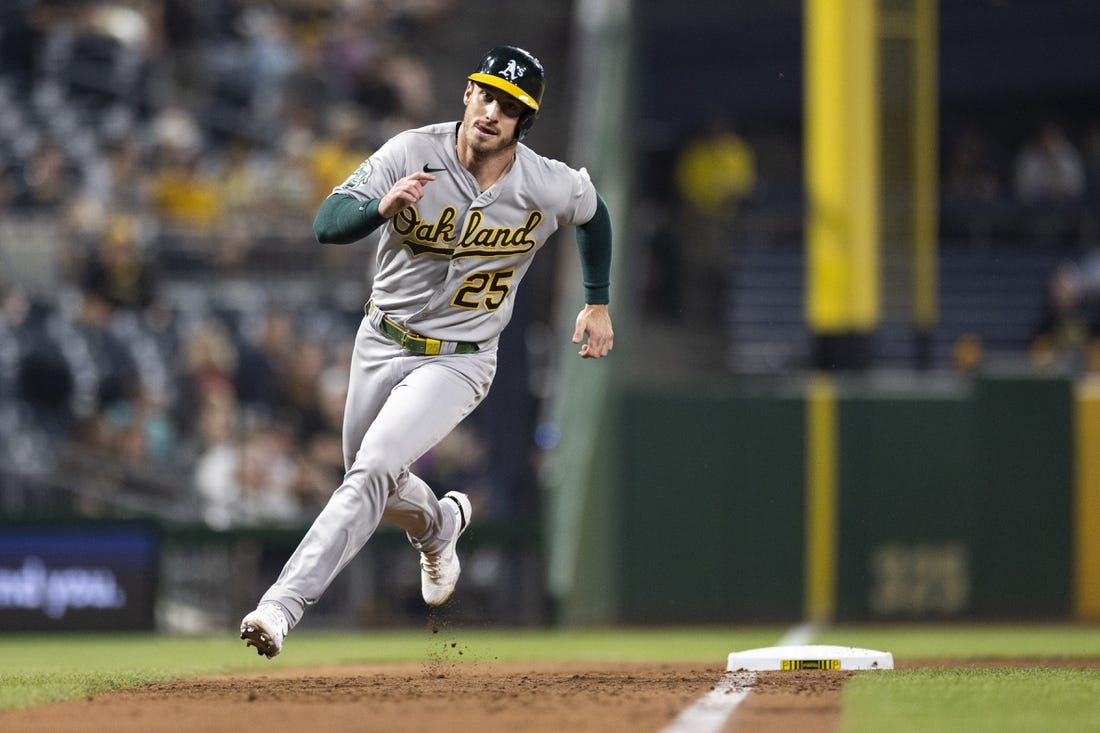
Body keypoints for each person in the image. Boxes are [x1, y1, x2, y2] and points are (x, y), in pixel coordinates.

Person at [239, 45, 614, 658]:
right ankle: (441, 526)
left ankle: (280, 608)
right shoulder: (412, 150)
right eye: (487, 94)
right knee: (374, 481)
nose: (493, 111)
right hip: (381, 341)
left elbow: (595, 217)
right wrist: (376, 209)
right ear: (467, 93)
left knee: (374, 467)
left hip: (460, 357)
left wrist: (597, 301)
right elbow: (327, 220)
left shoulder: (546, 182)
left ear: (524, 122)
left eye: (510, 106)